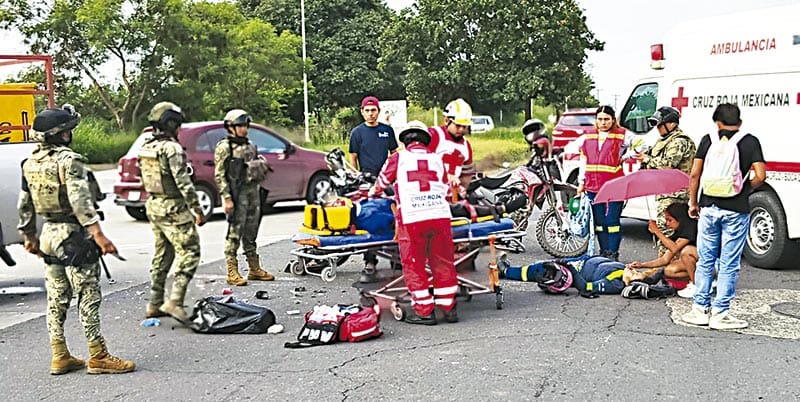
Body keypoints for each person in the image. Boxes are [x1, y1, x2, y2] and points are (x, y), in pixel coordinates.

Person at [18, 105, 135, 375]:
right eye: (68, 130)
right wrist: (99, 235)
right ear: (61, 134)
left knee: (57, 297)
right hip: (74, 237)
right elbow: (80, 201)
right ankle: (98, 355)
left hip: (49, 235)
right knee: (87, 295)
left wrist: (29, 236)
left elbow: (25, 204)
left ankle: (60, 355)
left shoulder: (29, 163)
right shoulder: (70, 161)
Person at [682, 103, 766, 330]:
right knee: (729, 262)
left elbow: (694, 174)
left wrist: (693, 203)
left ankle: (699, 310)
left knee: (705, 259)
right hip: (736, 210)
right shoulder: (750, 141)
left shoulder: (707, 140)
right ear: (740, 122)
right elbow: (760, 175)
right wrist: (744, 189)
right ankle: (721, 313)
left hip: (708, 207)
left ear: (716, 122)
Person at [370, 120, 458, 325]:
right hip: (440, 216)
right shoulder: (437, 159)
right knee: (443, 261)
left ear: (405, 140)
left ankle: (424, 311)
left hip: (412, 219)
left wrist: (372, 192)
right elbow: (446, 191)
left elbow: (381, 184)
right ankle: (448, 308)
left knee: (414, 264)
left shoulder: (398, 158)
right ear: (425, 140)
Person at [140, 102, 207, 323]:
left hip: (154, 205)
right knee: (190, 251)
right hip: (173, 208)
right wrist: (197, 209)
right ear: (170, 124)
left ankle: (154, 302)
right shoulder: (172, 149)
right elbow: (183, 182)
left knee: (163, 254)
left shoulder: (147, 147)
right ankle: (175, 301)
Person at [215, 109, 275, 286]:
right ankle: (231, 271)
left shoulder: (250, 145)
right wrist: (226, 198)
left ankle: (254, 268)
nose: (244, 129)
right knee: (235, 232)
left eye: (246, 125)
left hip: (253, 192)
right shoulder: (225, 148)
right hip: (237, 193)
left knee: (251, 231)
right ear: (230, 127)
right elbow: (220, 175)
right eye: (240, 125)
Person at [348, 96, 398, 283]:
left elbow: (394, 154)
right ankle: (370, 260)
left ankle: (396, 258)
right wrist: (356, 178)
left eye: (373, 110)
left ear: (378, 111)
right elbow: (353, 158)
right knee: (371, 219)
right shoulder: (357, 133)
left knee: (393, 216)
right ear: (362, 112)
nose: (370, 114)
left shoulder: (387, 130)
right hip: (367, 182)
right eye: (367, 110)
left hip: (387, 180)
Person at [636, 106, 696, 256]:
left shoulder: (679, 141)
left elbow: (668, 165)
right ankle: (665, 262)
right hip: (666, 192)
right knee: (665, 230)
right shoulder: (664, 141)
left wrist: (647, 159)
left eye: (660, 125)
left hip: (675, 194)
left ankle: (667, 263)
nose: (657, 129)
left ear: (671, 124)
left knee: (667, 230)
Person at [576, 105, 629, 261]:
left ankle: (613, 253)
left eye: (606, 119)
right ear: (596, 120)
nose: (603, 122)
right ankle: (604, 252)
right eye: (600, 119)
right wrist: (581, 183)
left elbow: (643, 145)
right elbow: (583, 161)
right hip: (593, 186)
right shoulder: (588, 136)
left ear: (613, 120)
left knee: (612, 220)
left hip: (615, 185)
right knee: (599, 222)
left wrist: (626, 156)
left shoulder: (622, 135)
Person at [626, 202, 699, 298]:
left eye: (670, 220)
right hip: (699, 264)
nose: (667, 224)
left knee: (686, 251)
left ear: (680, 219)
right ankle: (699, 280)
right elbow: (665, 259)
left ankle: (697, 286)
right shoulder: (679, 233)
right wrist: (642, 265)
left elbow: (674, 248)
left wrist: (657, 231)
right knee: (669, 271)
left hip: (711, 265)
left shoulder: (692, 227)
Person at [498, 255, 626, 298]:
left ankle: (506, 271)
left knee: (539, 270)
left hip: (571, 273)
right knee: (543, 263)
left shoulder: (615, 284)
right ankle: (509, 271)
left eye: (635, 274)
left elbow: (586, 287)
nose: (633, 270)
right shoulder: (623, 268)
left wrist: (569, 267)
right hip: (582, 261)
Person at [428, 98, 476, 193]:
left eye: (464, 126)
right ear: (447, 120)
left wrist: (463, 189)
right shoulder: (434, 135)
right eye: (458, 125)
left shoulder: (466, 145)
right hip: (431, 190)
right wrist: (446, 176)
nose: (461, 129)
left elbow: (467, 174)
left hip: (452, 194)